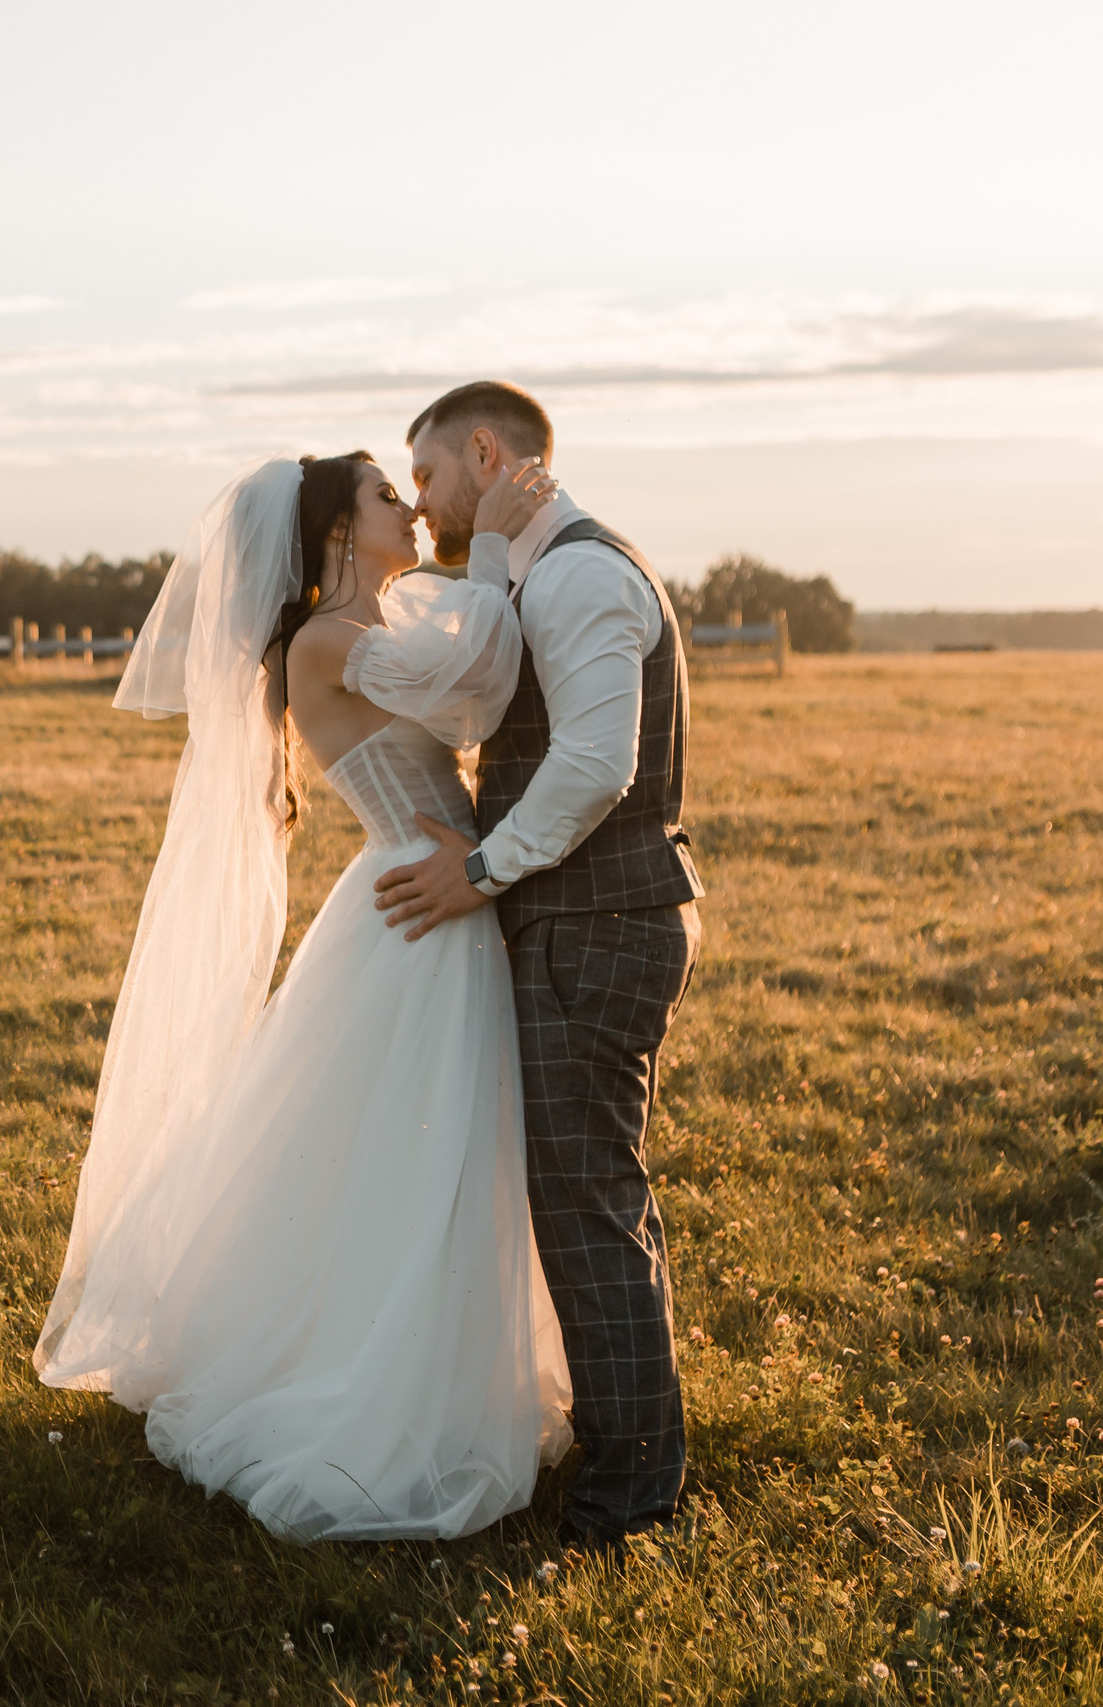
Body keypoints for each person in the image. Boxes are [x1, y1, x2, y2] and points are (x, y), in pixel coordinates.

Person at [32, 447, 572, 1540]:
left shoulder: (377, 623)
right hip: (417, 907)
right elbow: (476, 700)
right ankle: (383, 1385)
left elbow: (465, 667)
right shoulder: (329, 641)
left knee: (434, 1146)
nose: (411, 512)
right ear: (333, 530)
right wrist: (499, 547)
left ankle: (447, 1360)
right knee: (426, 1151)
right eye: (385, 498)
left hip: (434, 889)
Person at [372, 381, 704, 1553]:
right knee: (585, 1198)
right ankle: (633, 1458)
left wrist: (483, 870)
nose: (420, 502)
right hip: (581, 918)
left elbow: (594, 767)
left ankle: (629, 1505)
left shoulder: (581, 574)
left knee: (583, 1206)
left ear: (481, 451)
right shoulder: (533, 566)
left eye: (424, 477)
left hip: (595, 921)